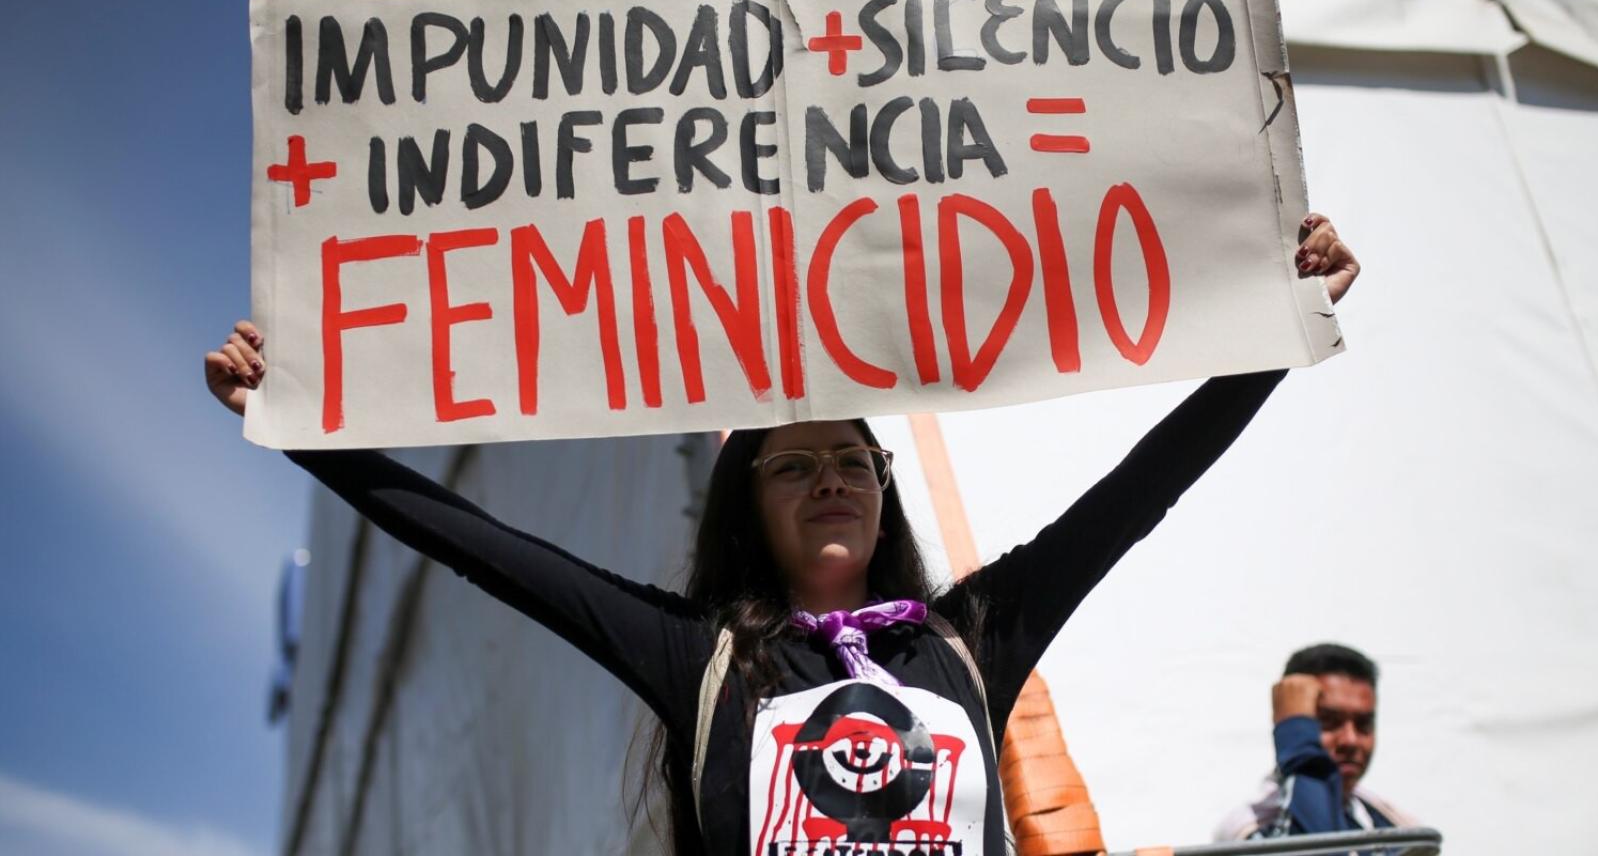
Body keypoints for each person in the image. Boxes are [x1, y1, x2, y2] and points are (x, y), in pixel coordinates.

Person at [207, 216, 1359, 856]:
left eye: (853, 461)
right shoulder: (695, 656)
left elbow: (1138, 490)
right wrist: (298, 425)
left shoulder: (970, 636)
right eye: (793, 464)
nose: (830, 482)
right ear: (746, 503)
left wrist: (1281, 321)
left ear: (882, 488)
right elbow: (481, 547)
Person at [1214, 643, 1417, 843]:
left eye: (1363, 724)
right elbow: (1321, 848)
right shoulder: (1252, 831)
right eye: (1328, 722)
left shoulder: (1392, 825)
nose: (1350, 740)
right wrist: (1301, 746)